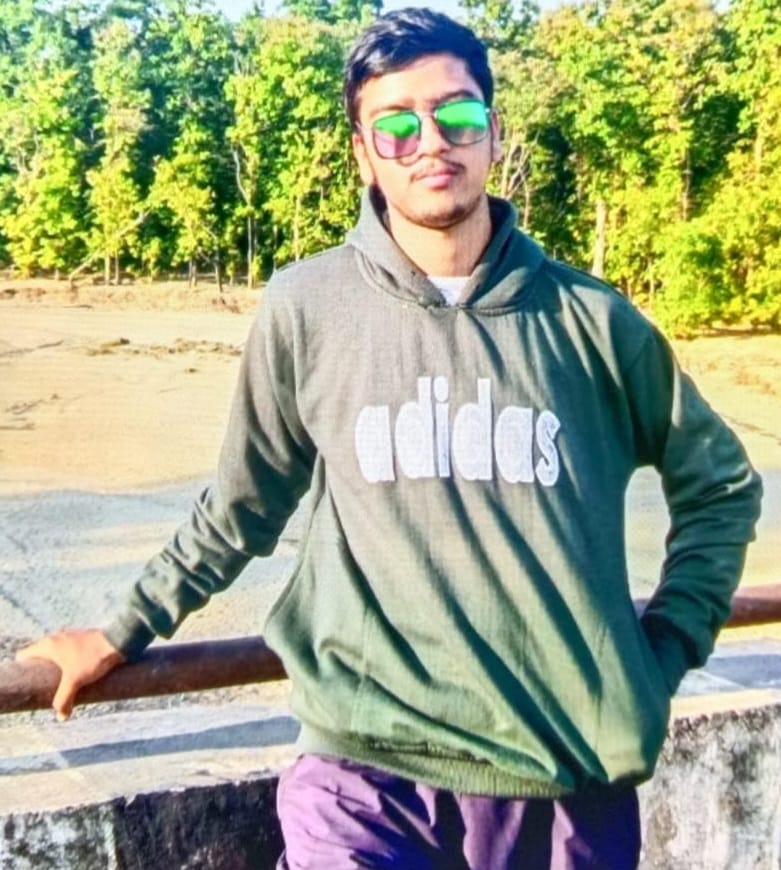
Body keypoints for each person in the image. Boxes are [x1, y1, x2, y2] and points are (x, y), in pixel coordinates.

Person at [20, 8, 762, 868]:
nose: (430, 143)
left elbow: (720, 487)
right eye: (396, 125)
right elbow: (240, 507)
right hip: (363, 772)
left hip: (564, 783)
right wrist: (119, 630)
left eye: (456, 115)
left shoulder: (593, 322)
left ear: (493, 132)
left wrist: (662, 650)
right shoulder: (308, 308)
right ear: (363, 153)